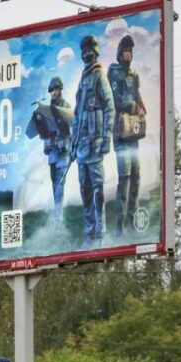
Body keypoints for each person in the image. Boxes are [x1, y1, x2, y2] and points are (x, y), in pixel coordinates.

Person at [72, 34, 115, 248]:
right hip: (81, 148)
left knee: (98, 188)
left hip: (95, 143)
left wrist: (107, 137)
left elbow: (109, 107)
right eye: (84, 51)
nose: (87, 54)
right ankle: (89, 232)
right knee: (85, 190)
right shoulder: (82, 79)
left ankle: (101, 231)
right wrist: (72, 144)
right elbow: (77, 116)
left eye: (90, 50)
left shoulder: (99, 75)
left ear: (95, 52)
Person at [108, 34, 147, 236]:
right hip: (120, 133)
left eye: (130, 51)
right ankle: (119, 224)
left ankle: (132, 218)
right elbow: (118, 100)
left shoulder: (134, 75)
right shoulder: (114, 73)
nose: (128, 54)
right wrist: (134, 107)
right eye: (125, 50)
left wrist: (142, 108)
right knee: (124, 179)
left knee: (136, 176)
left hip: (133, 133)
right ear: (119, 53)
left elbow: (137, 96)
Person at [29, 76, 74, 228]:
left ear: (60, 89)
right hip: (53, 153)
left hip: (63, 151)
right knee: (55, 184)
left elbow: (71, 127)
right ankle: (57, 213)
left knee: (60, 183)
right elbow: (44, 132)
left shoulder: (66, 107)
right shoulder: (47, 110)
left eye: (56, 89)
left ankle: (58, 218)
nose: (54, 92)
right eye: (52, 90)